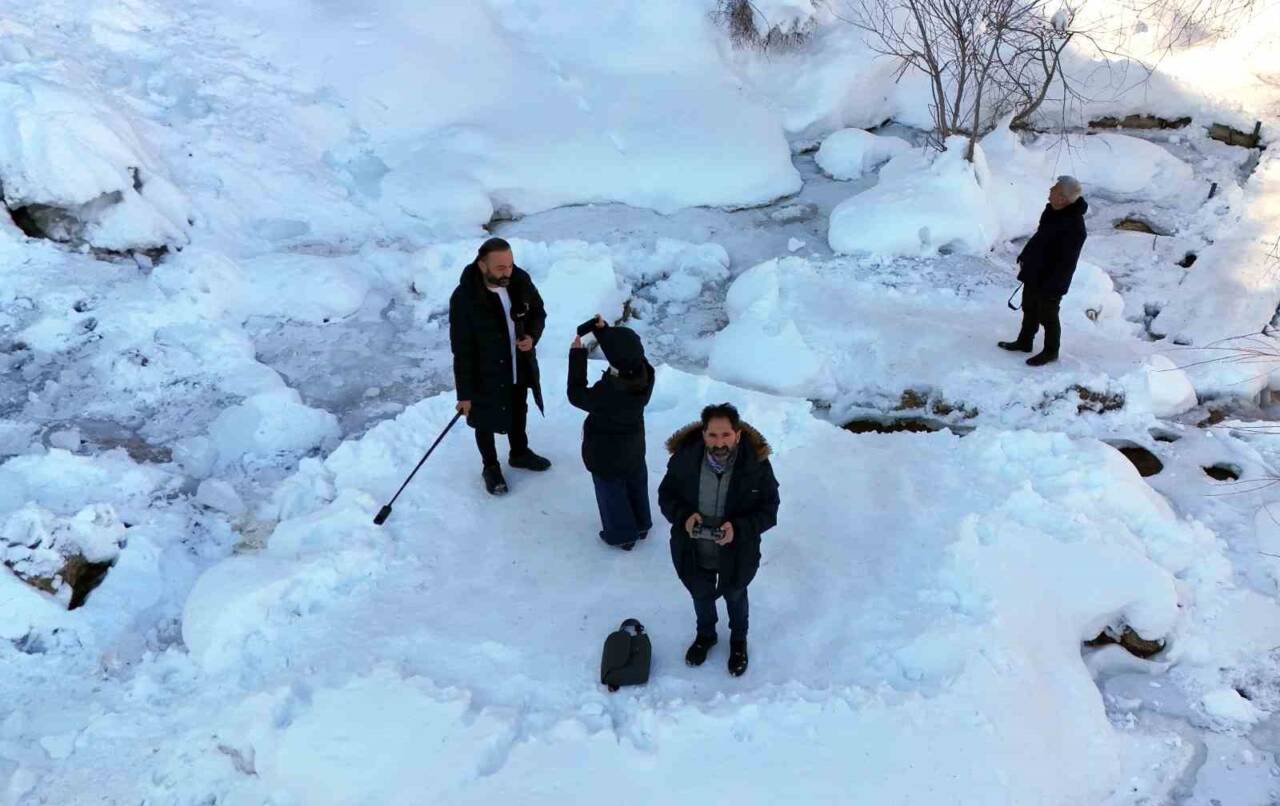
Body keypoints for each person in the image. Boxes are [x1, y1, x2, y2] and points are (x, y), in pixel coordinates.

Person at [658, 403, 780, 677]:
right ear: (703, 434)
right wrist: (684, 517)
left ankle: (738, 640)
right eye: (713, 435)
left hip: (737, 552)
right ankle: (706, 635)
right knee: (700, 594)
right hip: (693, 548)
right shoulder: (684, 459)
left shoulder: (757, 465)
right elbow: (666, 496)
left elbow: (769, 511)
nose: (719, 442)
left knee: (735, 594)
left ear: (737, 434)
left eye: (725, 435)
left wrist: (739, 528)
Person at [449, 237, 551, 495]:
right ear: (483, 265)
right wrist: (465, 394)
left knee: (519, 407)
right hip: (485, 373)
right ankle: (490, 467)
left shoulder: (519, 280)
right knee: (483, 419)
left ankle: (519, 452)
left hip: (519, 364)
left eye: (510, 265)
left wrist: (531, 336)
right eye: (501, 268)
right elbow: (462, 348)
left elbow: (538, 312)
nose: (508, 272)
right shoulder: (465, 298)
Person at [567, 316, 656, 552]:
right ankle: (642, 524)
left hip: (606, 454)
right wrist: (604, 332)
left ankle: (621, 535)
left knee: (611, 492)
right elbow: (626, 352)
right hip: (634, 448)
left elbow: (576, 395)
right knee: (636, 482)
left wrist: (577, 357)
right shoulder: (646, 374)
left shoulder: (608, 393)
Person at [999, 175, 1089, 367]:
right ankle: (1025, 342)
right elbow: (1039, 238)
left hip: (1052, 280)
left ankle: (1051, 351)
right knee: (1029, 307)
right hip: (1035, 271)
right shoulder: (1051, 212)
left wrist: (1053, 284)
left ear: (1063, 198)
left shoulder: (1075, 227)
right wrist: (1026, 255)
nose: (1049, 192)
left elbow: (1067, 262)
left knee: (1048, 316)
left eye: (1054, 190)